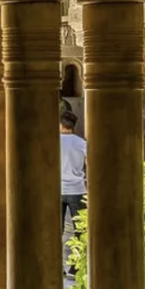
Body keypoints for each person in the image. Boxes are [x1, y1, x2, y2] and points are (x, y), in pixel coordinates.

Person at [60, 108, 87, 274]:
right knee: (80, 230)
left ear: (60, 125)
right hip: (77, 189)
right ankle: (75, 267)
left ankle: (56, 266)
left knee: (56, 229)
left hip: (57, 189)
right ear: (74, 126)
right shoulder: (81, 143)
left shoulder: (53, 141)